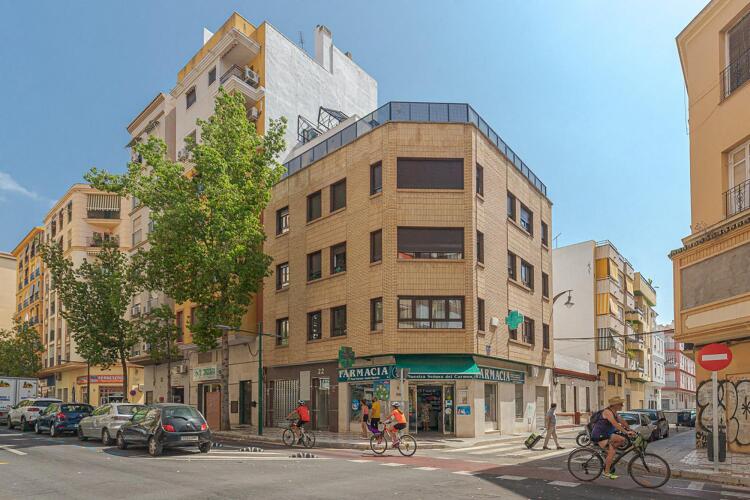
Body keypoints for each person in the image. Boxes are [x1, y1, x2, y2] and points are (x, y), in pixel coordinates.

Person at [591, 396, 636, 480]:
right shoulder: (607, 412)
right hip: (599, 435)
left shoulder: (615, 412)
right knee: (612, 452)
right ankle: (606, 472)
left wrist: (630, 429)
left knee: (622, 439)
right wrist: (626, 432)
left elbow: (622, 421)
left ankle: (607, 453)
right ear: (615, 405)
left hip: (607, 434)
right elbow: (615, 423)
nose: (622, 405)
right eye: (620, 404)